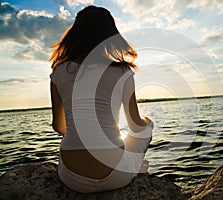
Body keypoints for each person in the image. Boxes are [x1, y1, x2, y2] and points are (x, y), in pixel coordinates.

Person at [49, 5, 153, 193]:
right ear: (110, 36)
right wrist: (147, 122)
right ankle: (133, 167)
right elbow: (135, 126)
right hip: (116, 175)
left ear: (75, 34)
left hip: (74, 179)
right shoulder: (123, 72)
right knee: (146, 129)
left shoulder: (58, 72)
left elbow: (59, 127)